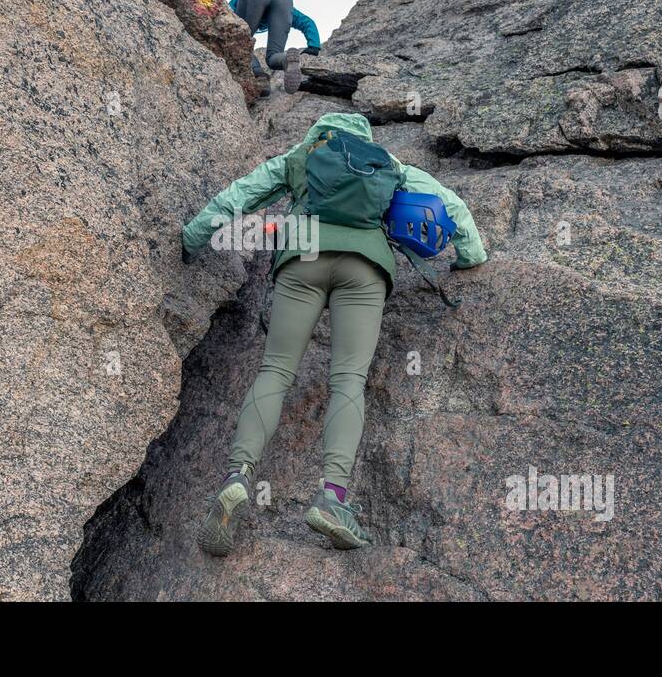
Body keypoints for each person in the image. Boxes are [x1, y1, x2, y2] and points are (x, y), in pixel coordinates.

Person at [181, 112, 488, 555]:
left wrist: (193, 238)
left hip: (303, 254)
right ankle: (332, 498)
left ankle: (238, 478)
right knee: (348, 380)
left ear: (319, 131)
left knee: (275, 371)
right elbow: (451, 205)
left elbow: (239, 196)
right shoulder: (388, 162)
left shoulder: (302, 156)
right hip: (365, 266)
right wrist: (469, 255)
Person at [228, 0, 322, 96]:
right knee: (273, 57)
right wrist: (313, 46)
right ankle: (286, 60)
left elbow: (225, 13)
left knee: (239, 44)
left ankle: (259, 76)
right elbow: (307, 22)